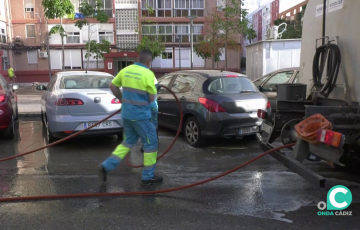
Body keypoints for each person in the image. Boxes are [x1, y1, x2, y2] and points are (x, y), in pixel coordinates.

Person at [98, 49, 162, 185]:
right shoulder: (148, 74)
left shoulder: (126, 70)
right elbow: (152, 98)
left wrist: (122, 99)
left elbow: (112, 86)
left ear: (137, 59)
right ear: (149, 61)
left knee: (127, 142)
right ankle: (148, 176)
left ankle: (107, 165)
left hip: (127, 115)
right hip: (141, 117)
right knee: (151, 144)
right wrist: (155, 89)